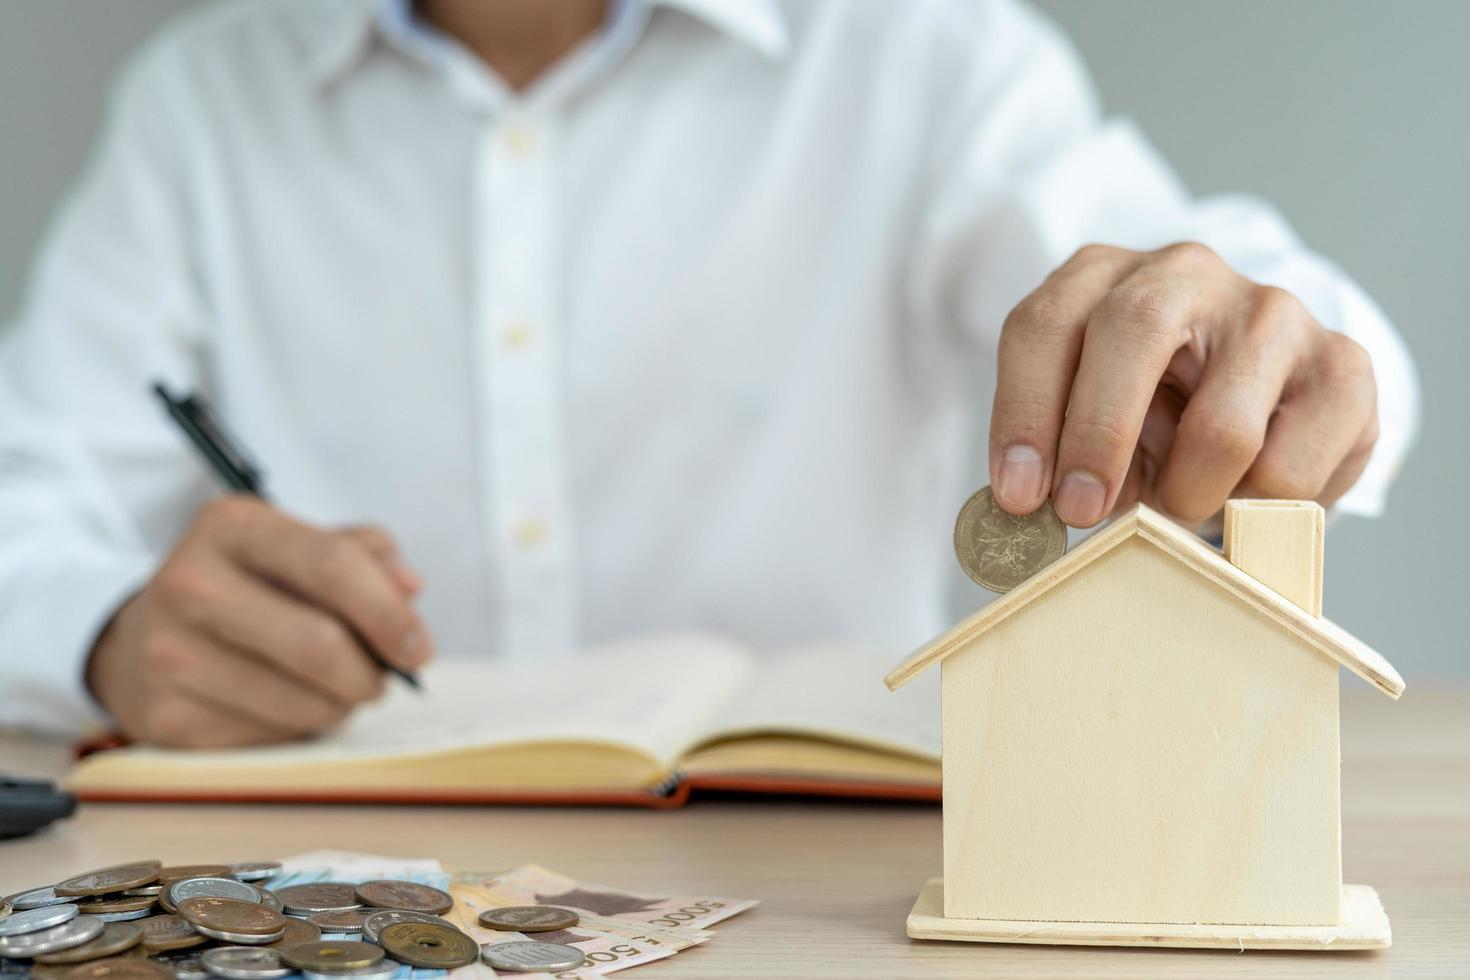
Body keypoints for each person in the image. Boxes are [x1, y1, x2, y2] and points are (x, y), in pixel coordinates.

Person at [0, 0, 1418, 745]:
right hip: (340, 869)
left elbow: (1190, 291)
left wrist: (1282, 354)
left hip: (802, 885)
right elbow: (24, 501)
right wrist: (108, 632)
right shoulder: (203, 101)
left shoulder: (918, 49)